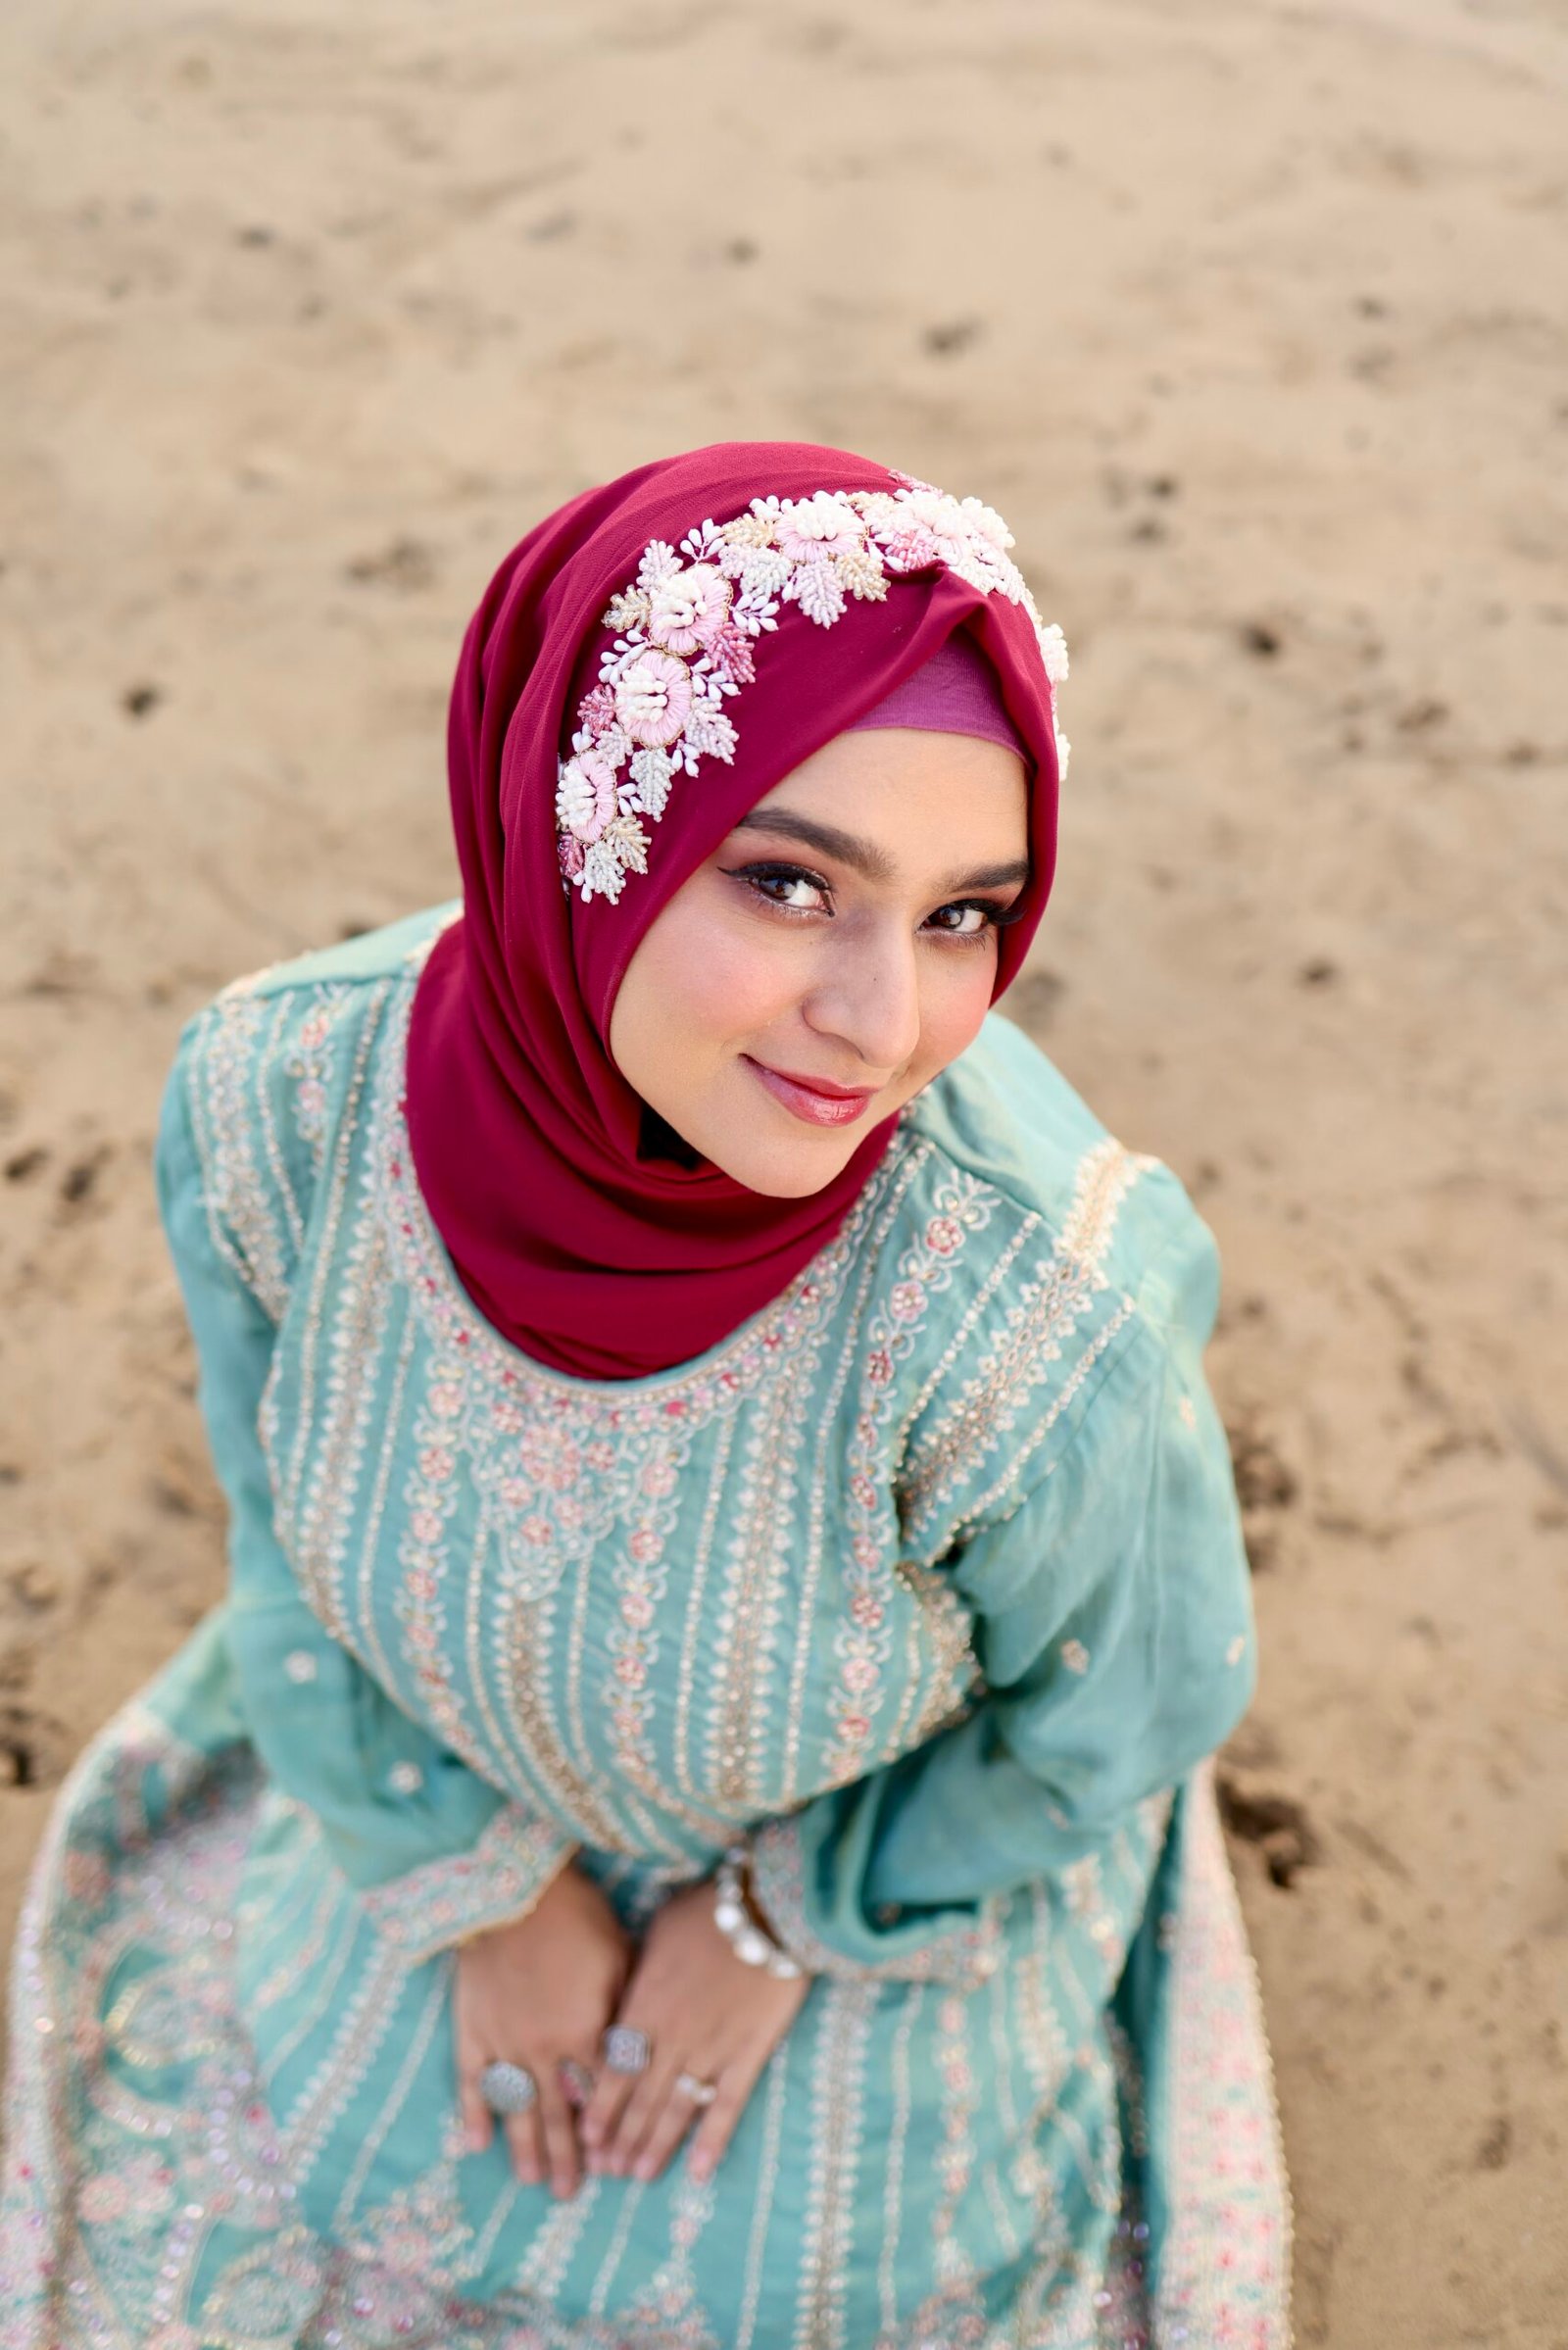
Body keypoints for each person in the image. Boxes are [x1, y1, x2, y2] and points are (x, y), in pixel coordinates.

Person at [0, 442, 1290, 2348]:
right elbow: (275, 1516)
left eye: (962, 913)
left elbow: (1131, 1701)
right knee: (337, 2152)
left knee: (820, 2275)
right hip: (450, 1765)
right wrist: (467, 1877)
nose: (882, 1022)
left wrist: (782, 1914)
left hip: (890, 1851)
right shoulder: (284, 1104)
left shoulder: (1027, 1317)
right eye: (787, 881)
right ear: (572, 828)